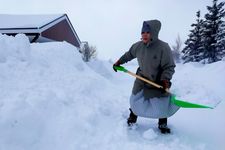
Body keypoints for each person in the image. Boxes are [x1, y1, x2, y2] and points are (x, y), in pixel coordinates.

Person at [113, 20, 179, 134]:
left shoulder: (163, 47)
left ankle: (162, 122)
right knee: (135, 99)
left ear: (154, 32)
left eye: (147, 32)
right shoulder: (138, 46)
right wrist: (119, 62)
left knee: (161, 103)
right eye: (142, 32)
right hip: (142, 78)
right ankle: (133, 116)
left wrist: (165, 80)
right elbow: (129, 55)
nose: (144, 34)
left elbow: (169, 66)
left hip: (158, 80)